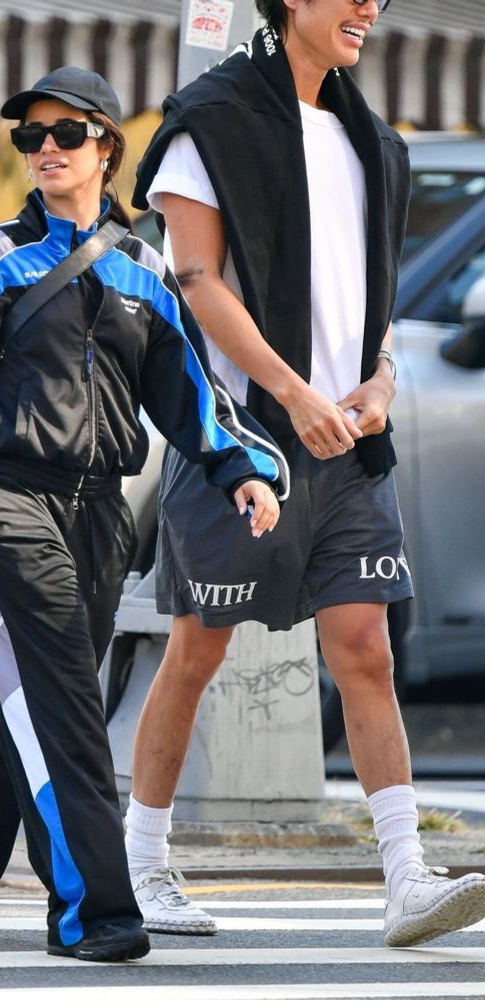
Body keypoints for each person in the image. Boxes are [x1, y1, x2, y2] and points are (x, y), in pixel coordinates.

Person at [0, 66, 287, 963]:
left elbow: (191, 393)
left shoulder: (143, 270)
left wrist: (241, 468)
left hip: (99, 517)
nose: (45, 148)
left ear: (106, 149)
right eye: (30, 137)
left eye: (65, 134)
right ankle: (94, 911)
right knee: (59, 708)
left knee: (44, 700)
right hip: (2, 501)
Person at [124, 0, 485, 947]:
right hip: (240, 436)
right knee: (198, 649)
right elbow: (195, 280)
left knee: (365, 648)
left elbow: (373, 298)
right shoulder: (210, 121)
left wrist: (382, 379)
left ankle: (405, 878)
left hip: (349, 443)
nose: (369, 5)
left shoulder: (373, 141)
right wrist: (289, 394)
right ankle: (142, 864)